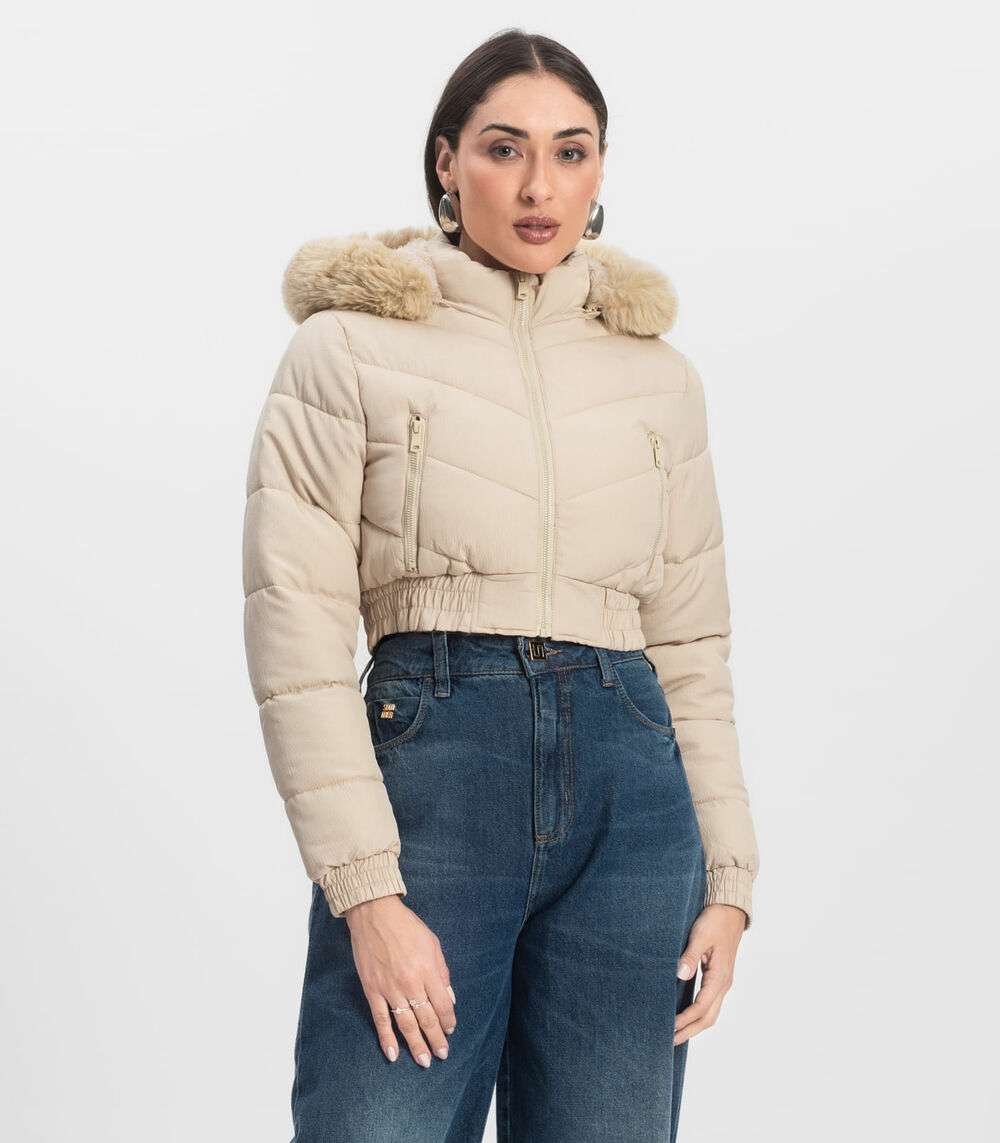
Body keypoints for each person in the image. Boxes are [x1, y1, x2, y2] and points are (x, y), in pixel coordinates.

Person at [241, 27, 759, 1143]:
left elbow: (690, 644)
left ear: (601, 169)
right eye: (503, 148)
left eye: (571, 152)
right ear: (446, 161)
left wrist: (728, 875)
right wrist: (367, 892)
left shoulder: (658, 377)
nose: (538, 187)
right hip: (435, 780)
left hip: (632, 802)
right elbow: (296, 633)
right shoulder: (348, 349)